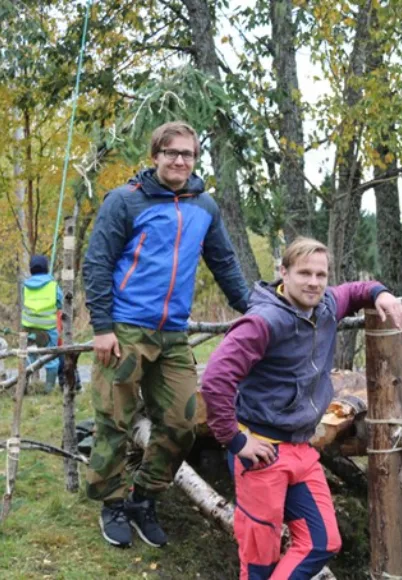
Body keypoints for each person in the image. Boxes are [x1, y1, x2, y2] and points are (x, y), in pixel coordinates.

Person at [83, 121, 250, 549]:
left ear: (195, 159)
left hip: (173, 333)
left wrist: (253, 310)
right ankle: (112, 503)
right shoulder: (125, 201)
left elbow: (225, 262)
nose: (179, 160)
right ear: (155, 155)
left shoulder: (204, 207)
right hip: (125, 329)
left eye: (188, 154)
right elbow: (97, 263)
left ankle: (143, 498)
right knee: (113, 423)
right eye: (171, 152)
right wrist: (102, 327)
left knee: (181, 422)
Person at [200, 236, 402, 580]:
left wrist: (380, 293)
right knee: (259, 564)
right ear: (284, 272)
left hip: (301, 449)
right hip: (259, 452)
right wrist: (235, 441)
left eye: (321, 274)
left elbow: (355, 290)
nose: (313, 282)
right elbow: (215, 379)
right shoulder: (263, 321)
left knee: (321, 541)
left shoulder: (325, 306)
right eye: (304, 273)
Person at [21, 254, 63, 393]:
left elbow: (23, 303)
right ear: (46, 268)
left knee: (29, 356)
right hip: (48, 328)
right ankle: (48, 389)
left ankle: (23, 386)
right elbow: (61, 303)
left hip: (28, 327)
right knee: (51, 358)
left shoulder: (25, 285)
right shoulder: (53, 285)